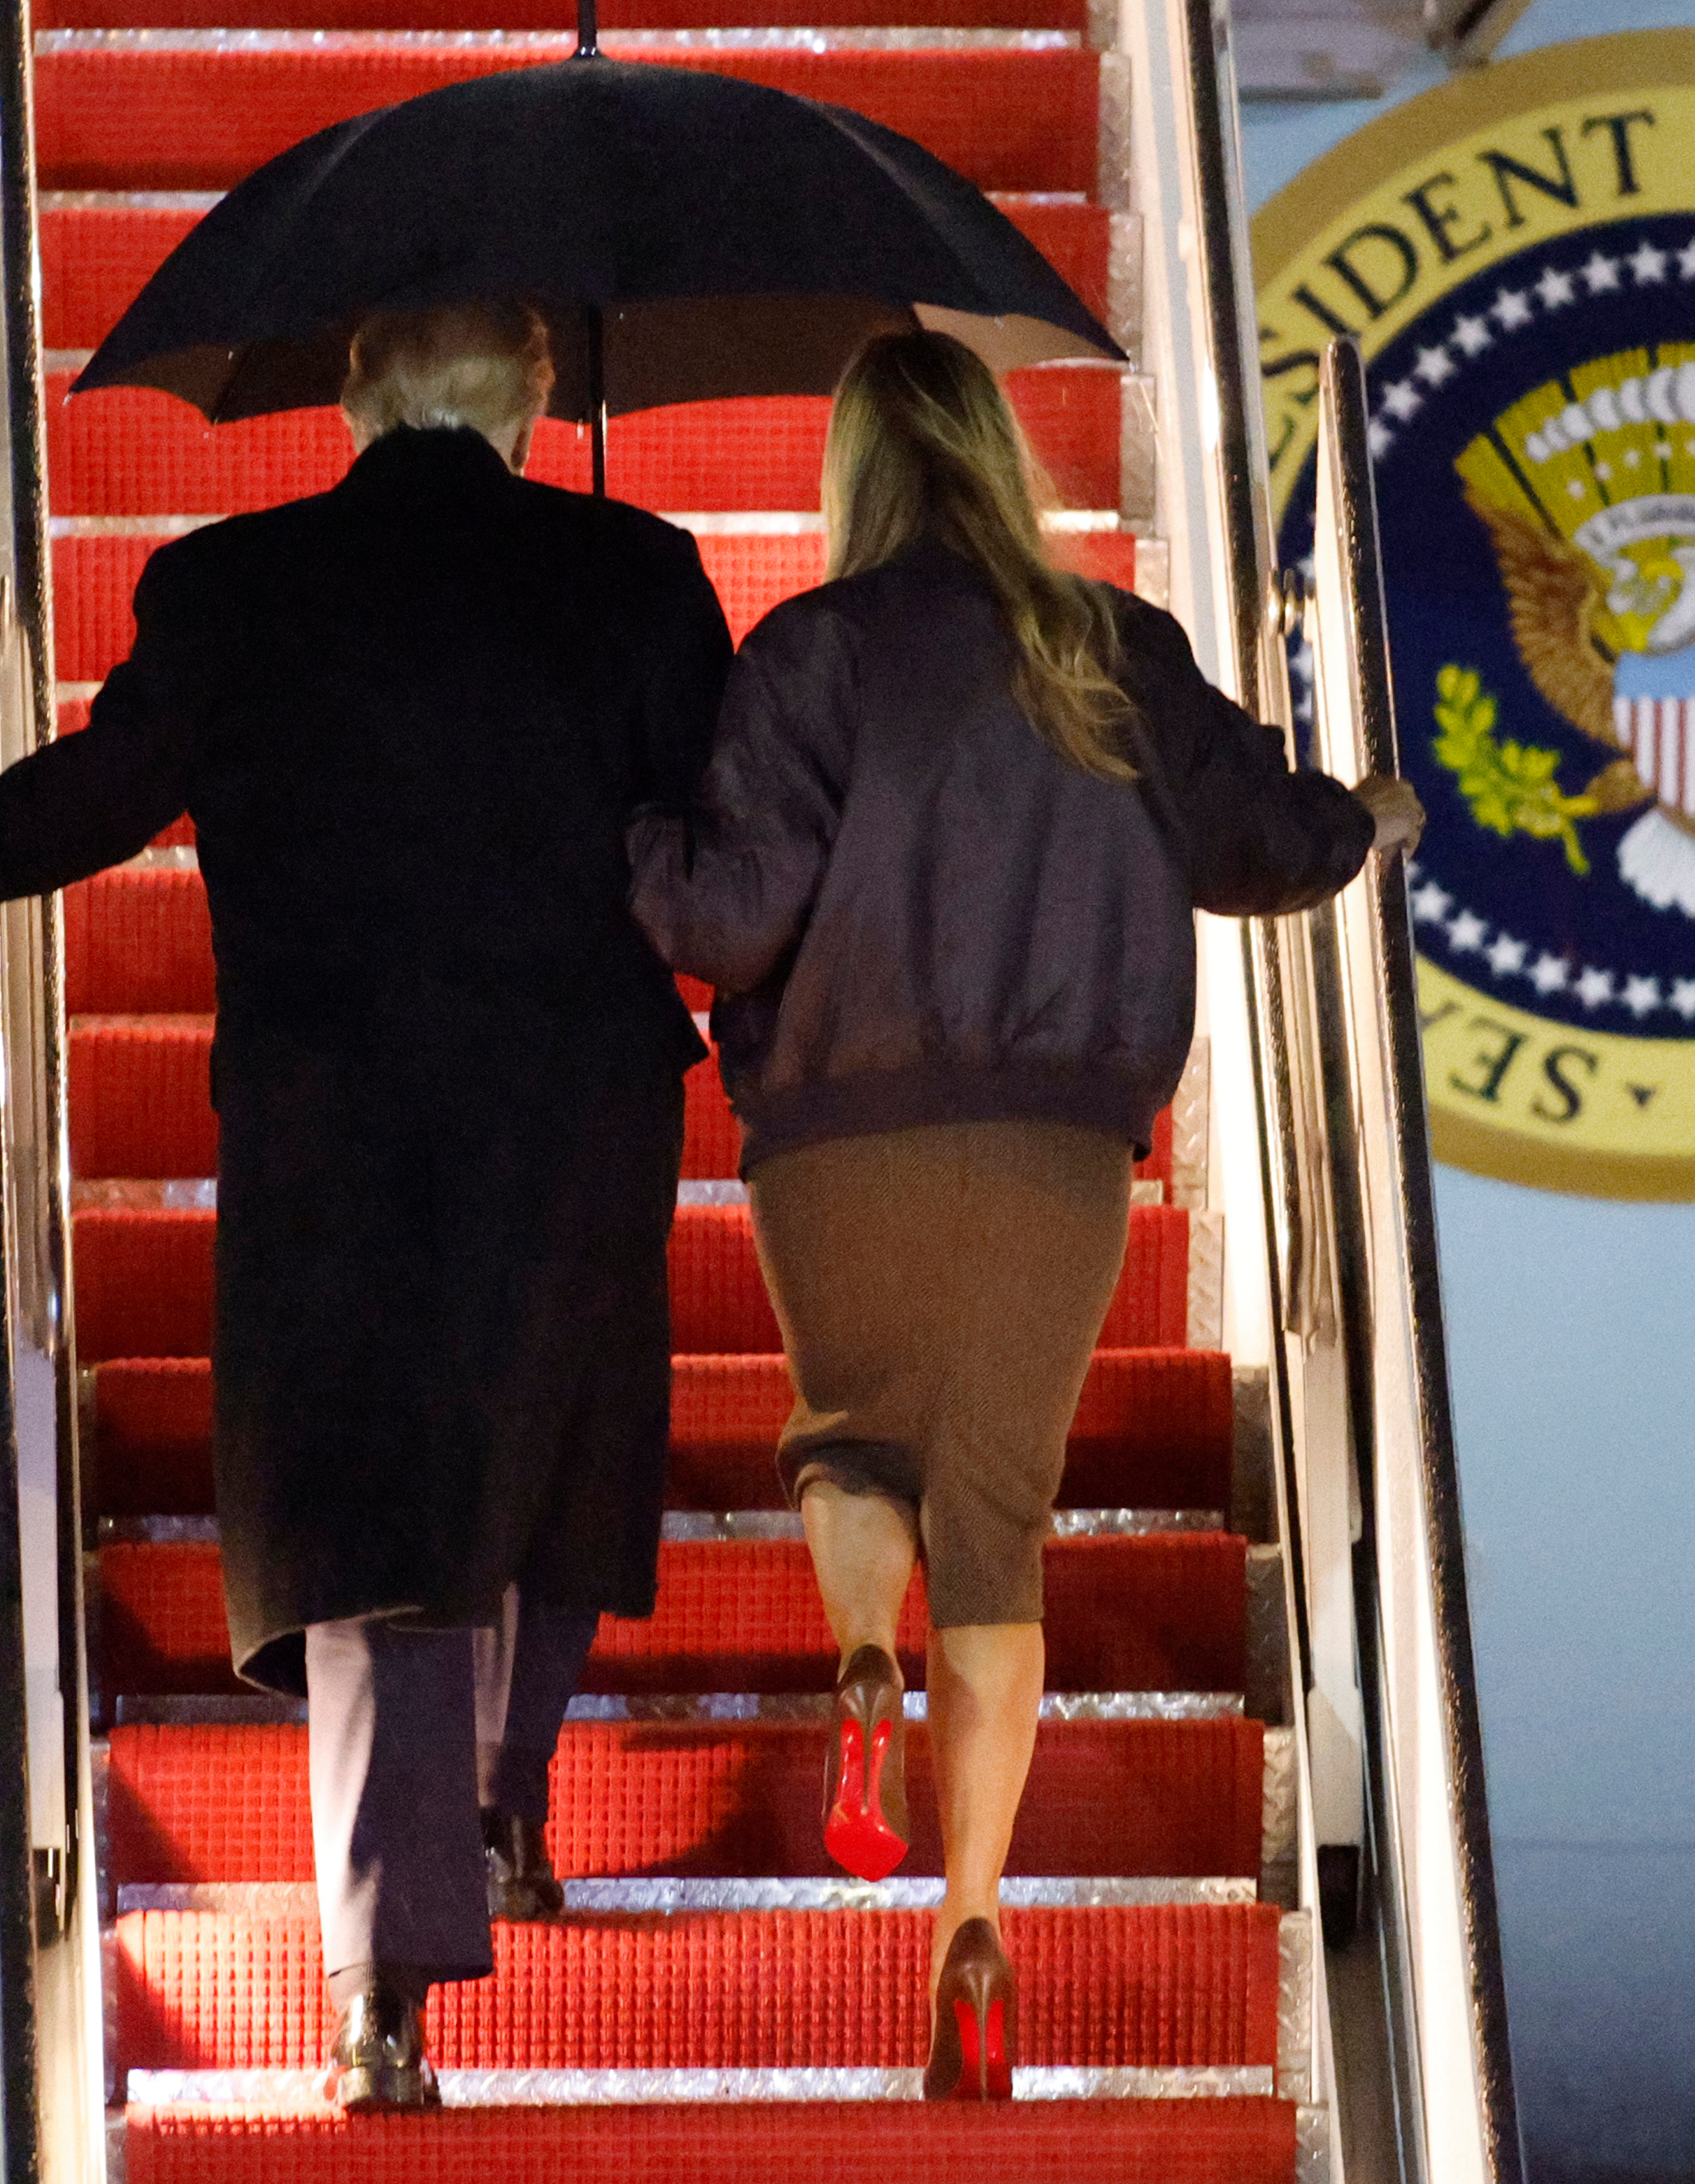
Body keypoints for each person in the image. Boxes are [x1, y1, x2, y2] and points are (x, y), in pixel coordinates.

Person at [0, 300, 732, 2113]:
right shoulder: (638, 568)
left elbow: (106, 795)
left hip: (338, 1118)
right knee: (550, 1442)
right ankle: (511, 1806)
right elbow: (725, 825)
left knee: (380, 1536)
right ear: (533, 401)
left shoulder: (231, 582)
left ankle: (385, 1992)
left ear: (358, 399)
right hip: (578, 1096)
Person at [626, 330, 1420, 2099]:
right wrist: (1359, 814)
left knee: (849, 1443)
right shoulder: (1108, 644)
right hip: (1058, 1137)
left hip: (838, 1130)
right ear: (996, 454)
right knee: (1001, 1523)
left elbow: (726, 921)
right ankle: (970, 1920)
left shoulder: (811, 654)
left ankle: (853, 1661)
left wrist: (627, 836)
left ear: (853, 476)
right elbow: (1256, 840)